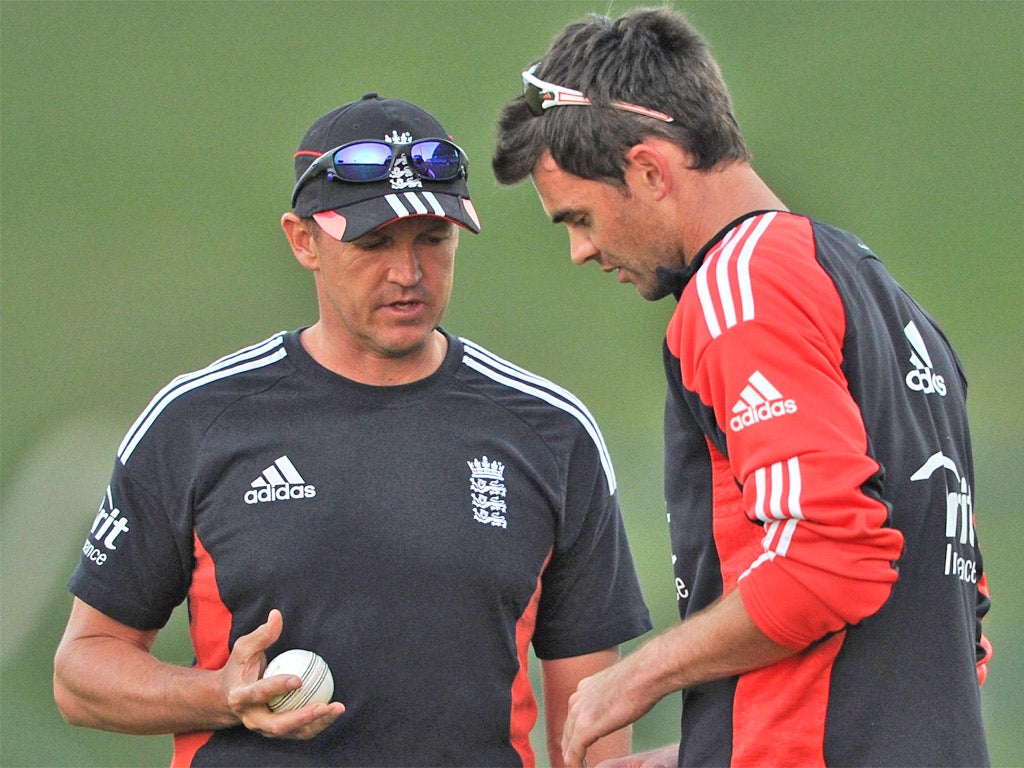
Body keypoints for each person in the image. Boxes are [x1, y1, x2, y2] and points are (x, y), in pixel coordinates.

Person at [54, 93, 653, 768]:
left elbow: (591, 726)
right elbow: (82, 674)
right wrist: (221, 695)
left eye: (434, 239)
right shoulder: (197, 421)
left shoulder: (551, 432)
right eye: (373, 243)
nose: (408, 273)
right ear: (303, 240)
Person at [492, 7, 992, 768]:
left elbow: (830, 560)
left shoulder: (743, 286)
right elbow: (957, 623)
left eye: (581, 217)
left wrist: (636, 678)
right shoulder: (888, 302)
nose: (581, 251)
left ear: (650, 170)